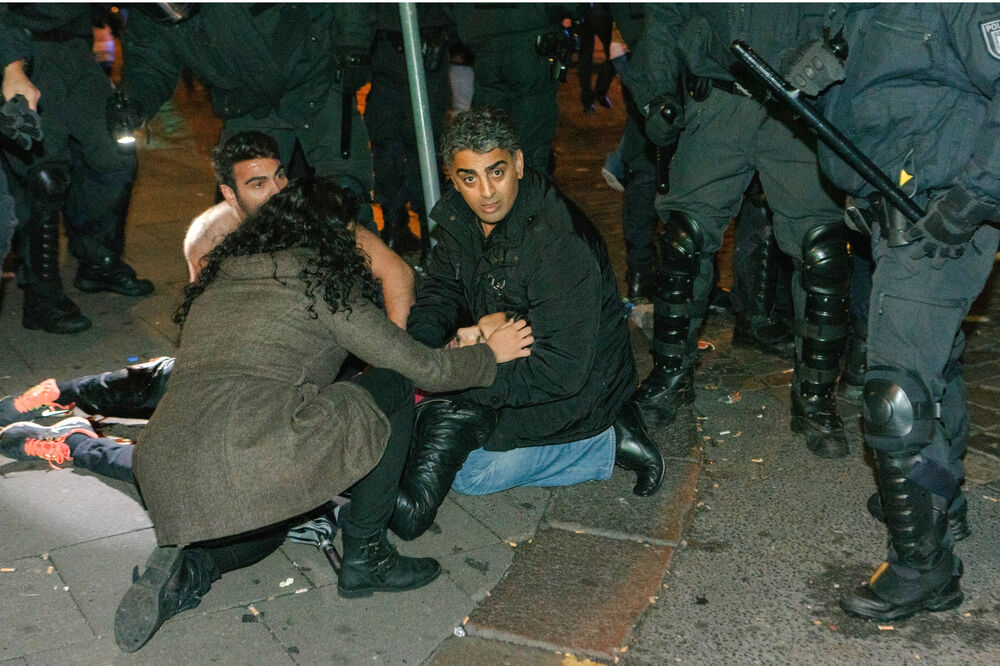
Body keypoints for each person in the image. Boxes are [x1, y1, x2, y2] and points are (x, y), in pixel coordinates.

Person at [0, 131, 414, 477]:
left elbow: (397, 274)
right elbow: (212, 340)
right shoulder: (211, 239)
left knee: (212, 466)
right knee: (171, 390)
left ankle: (75, 441)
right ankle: (62, 395)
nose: (277, 192)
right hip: (243, 371)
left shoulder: (315, 216)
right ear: (230, 195)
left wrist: (385, 360)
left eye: (280, 177)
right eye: (258, 184)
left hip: (317, 369)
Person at [387, 107, 664, 541]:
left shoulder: (557, 244)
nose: (486, 193)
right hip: (514, 357)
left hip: (579, 386)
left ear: (517, 162)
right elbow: (441, 289)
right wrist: (419, 356)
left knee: (472, 473)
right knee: (444, 426)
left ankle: (608, 439)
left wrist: (460, 377)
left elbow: (561, 372)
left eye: (496, 172)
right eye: (469, 178)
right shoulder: (463, 216)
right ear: (452, 178)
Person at [808, 3, 1000, 621]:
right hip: (890, 209)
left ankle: (924, 566)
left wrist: (978, 195)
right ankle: (942, 500)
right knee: (932, 366)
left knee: (896, 396)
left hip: (940, 217)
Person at [625, 4, 852, 458]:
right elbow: (666, 16)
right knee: (683, 243)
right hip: (720, 102)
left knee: (822, 255)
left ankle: (814, 396)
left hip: (800, 107)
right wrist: (656, 93)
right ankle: (670, 374)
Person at [116, 4, 378, 225]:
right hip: (247, 102)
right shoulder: (149, 14)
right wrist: (135, 103)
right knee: (242, 209)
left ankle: (364, 268)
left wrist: (353, 43)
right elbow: (149, 64)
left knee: (344, 199)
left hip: (315, 81)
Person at [1, 4, 153, 334]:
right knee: (43, 174)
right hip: (20, 49)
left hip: (77, 50)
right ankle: (41, 293)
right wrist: (10, 64)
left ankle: (98, 260)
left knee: (117, 153)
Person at [446, 5, 580, 176]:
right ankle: (528, 188)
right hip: (530, 47)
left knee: (488, 145)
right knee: (531, 149)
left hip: (485, 48)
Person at [366, 3, 453, 255]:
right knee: (396, 141)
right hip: (394, 37)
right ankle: (400, 225)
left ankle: (424, 227)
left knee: (418, 142)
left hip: (420, 36)